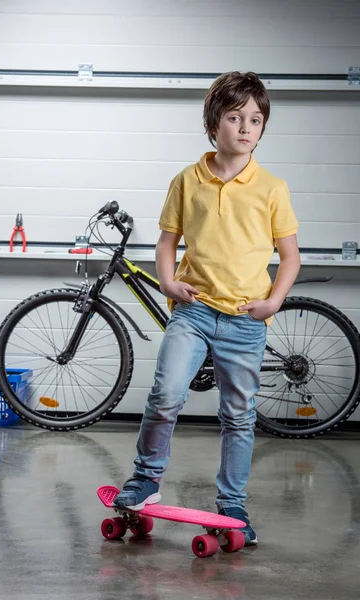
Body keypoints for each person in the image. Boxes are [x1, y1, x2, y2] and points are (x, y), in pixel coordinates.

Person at [114, 71, 301, 545]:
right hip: (194, 314)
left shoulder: (272, 188)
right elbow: (167, 241)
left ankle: (232, 503)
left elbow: (291, 256)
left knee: (238, 415)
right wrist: (169, 283)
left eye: (255, 120)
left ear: (262, 128)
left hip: (245, 319)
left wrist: (272, 303)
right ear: (213, 123)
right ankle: (145, 482)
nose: (245, 128)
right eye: (234, 117)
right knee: (166, 395)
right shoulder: (187, 180)